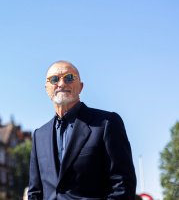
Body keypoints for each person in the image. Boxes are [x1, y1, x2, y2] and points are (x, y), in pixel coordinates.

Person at [28, 61, 137, 200]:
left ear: (80, 87)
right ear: (46, 88)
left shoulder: (107, 123)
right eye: (54, 79)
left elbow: (122, 184)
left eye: (69, 78)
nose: (61, 84)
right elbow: (35, 192)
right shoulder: (39, 135)